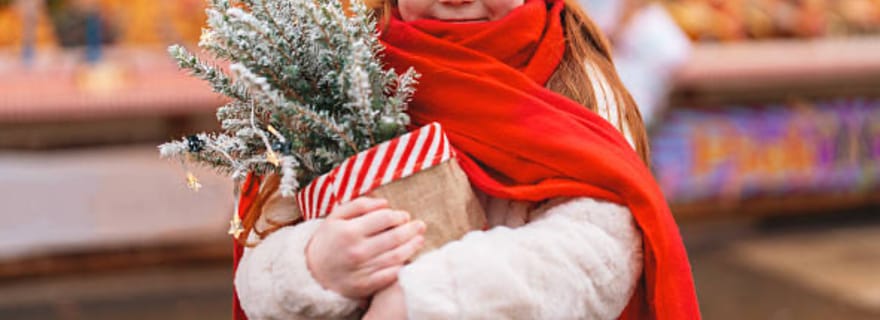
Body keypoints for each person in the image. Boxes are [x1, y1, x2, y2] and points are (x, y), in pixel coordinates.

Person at [232, 0, 700, 319]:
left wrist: (422, 300)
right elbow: (262, 244)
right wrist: (313, 267)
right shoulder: (338, 71)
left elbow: (599, 251)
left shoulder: (573, 75)